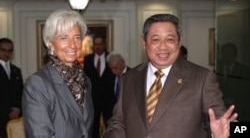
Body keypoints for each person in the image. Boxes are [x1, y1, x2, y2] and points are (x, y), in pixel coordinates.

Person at [104, 14, 237, 138]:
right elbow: (118, 123)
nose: (163, 47)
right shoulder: (129, 78)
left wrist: (219, 134)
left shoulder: (202, 78)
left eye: (170, 39)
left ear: (179, 42)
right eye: (155, 39)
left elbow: (221, 123)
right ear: (144, 42)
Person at [22, 9, 94, 138]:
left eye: (77, 37)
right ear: (50, 42)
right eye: (64, 38)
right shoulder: (38, 83)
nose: (72, 45)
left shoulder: (85, 80)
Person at [84, 35, 115, 138]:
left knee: (111, 125)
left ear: (104, 45)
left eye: (100, 44)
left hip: (109, 99)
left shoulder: (111, 57)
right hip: (93, 99)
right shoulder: (87, 59)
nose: (98, 47)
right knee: (94, 126)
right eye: (96, 45)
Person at [216, 42, 250, 121]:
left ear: (235, 55)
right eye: (225, 53)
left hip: (240, 110)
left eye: (230, 53)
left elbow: (246, 91)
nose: (227, 56)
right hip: (221, 109)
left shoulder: (244, 70)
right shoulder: (217, 68)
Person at [0, 38, 24, 138]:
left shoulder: (16, 70)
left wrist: (18, 109)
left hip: (16, 117)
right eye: (3, 50)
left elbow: (21, 92)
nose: (7, 53)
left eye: (9, 51)